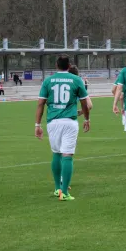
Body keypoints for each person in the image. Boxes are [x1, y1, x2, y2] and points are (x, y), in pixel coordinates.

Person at [35, 54, 90, 201]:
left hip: (53, 122)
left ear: (56, 66)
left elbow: (40, 104)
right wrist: (86, 118)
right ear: (69, 66)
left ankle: (57, 189)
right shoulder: (76, 80)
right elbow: (85, 103)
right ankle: (64, 192)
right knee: (67, 156)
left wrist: (37, 125)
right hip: (69, 121)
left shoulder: (48, 81)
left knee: (56, 153)